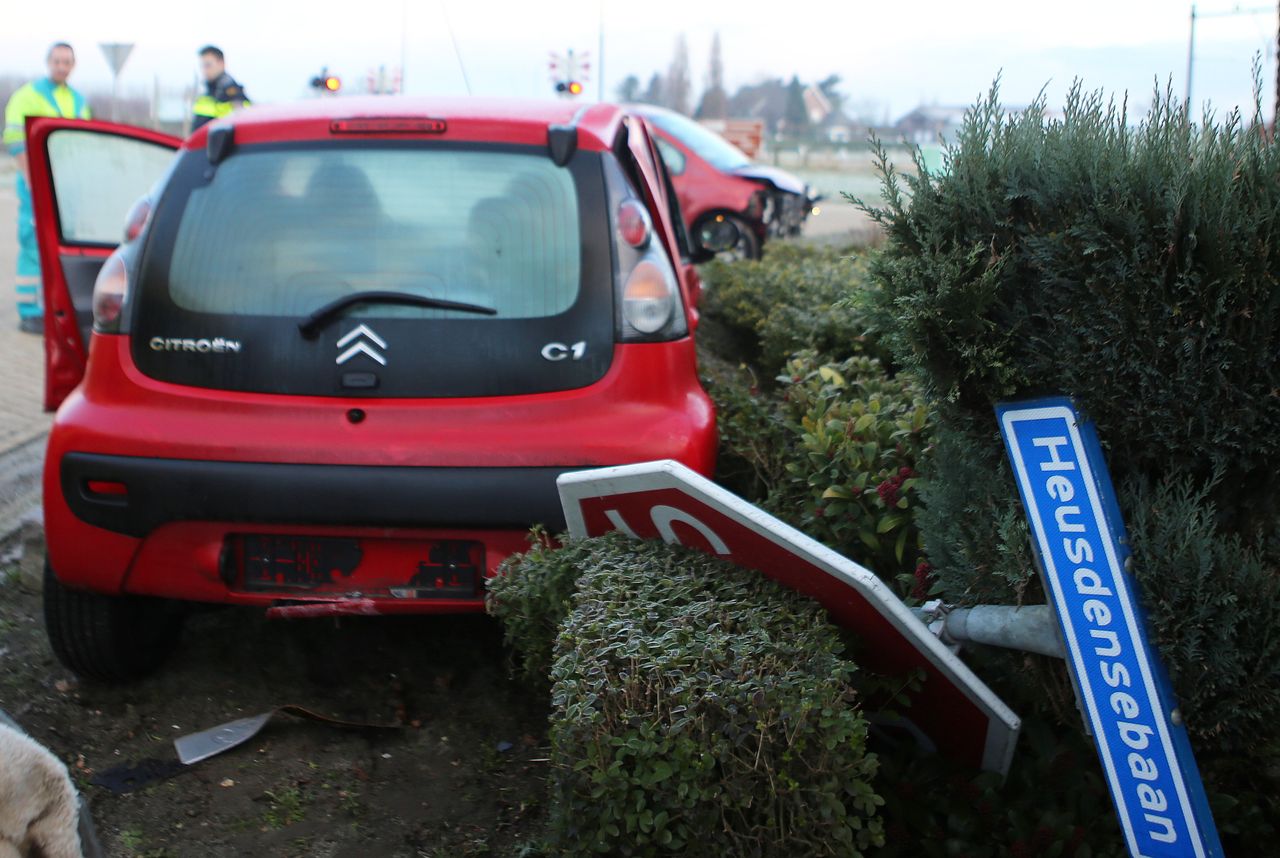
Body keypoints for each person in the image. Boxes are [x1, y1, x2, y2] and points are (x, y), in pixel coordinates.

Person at [3, 42, 90, 333]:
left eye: (67, 61)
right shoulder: (27, 96)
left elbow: (82, 143)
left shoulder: (78, 101)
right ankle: (30, 312)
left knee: (63, 245)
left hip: (67, 184)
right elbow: (15, 140)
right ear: (48, 61)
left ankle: (56, 308)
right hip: (35, 181)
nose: (61, 66)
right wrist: (31, 179)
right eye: (57, 61)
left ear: (73, 65)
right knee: (33, 243)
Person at [192, 45, 249, 131]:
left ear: (221, 64)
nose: (204, 70)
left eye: (208, 65)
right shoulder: (205, 94)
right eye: (202, 66)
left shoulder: (234, 94)